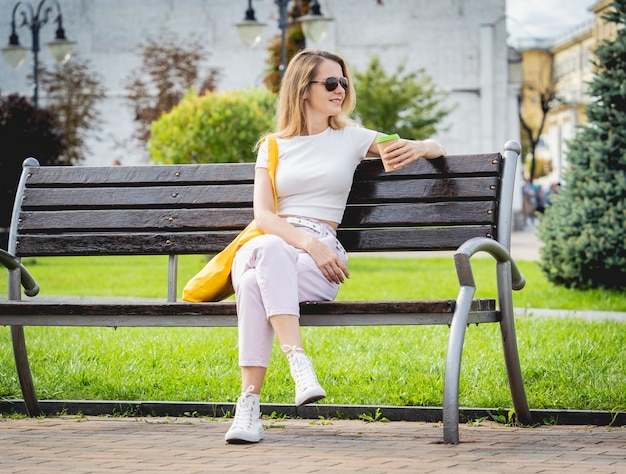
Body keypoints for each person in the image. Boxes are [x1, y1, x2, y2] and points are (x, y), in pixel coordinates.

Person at [225, 49, 446, 444]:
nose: (340, 89)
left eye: (343, 81)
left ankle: (248, 407)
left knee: (253, 285)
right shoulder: (272, 146)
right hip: (278, 244)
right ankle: (298, 362)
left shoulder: (352, 138)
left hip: (313, 266)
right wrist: (311, 244)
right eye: (330, 82)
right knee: (268, 252)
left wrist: (424, 146)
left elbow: (433, 146)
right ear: (302, 89)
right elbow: (264, 217)